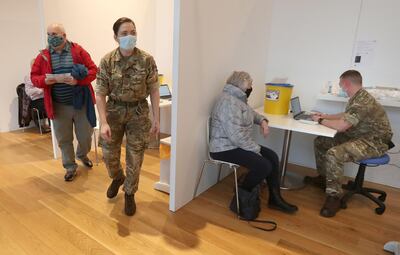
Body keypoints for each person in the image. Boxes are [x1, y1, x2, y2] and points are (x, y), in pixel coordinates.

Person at [96, 17, 160, 216]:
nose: (129, 36)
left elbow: (154, 90)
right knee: (108, 154)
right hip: (114, 111)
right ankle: (117, 177)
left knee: (135, 156)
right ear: (116, 37)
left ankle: (130, 193)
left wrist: (157, 118)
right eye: (124, 33)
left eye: (132, 32)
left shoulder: (146, 59)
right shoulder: (107, 60)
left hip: (139, 113)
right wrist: (103, 121)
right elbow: (100, 93)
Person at [209, 71, 298, 214]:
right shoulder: (228, 102)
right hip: (223, 148)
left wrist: (262, 121)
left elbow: (251, 113)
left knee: (272, 157)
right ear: (242, 85)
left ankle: (275, 199)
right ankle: (241, 197)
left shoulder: (238, 99)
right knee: (264, 165)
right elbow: (236, 136)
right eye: (250, 84)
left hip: (236, 145)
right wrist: (255, 150)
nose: (251, 87)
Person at [307, 70, 393, 217]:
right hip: (360, 136)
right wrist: (326, 115)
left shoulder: (362, 101)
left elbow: (342, 126)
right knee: (321, 141)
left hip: (374, 142)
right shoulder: (358, 97)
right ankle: (324, 178)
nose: (341, 88)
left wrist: (320, 120)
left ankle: (333, 197)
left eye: (341, 85)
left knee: (335, 154)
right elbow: (346, 116)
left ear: (346, 84)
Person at [31, 23, 97, 181]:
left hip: (81, 103)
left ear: (64, 36)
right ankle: (70, 166)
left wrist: (77, 81)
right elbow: (34, 77)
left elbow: (94, 70)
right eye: (48, 34)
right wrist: (46, 81)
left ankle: (82, 154)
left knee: (85, 136)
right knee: (64, 139)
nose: (51, 37)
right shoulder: (43, 56)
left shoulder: (78, 50)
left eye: (54, 34)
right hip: (58, 105)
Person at [25, 59, 50, 132]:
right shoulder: (28, 76)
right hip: (37, 100)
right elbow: (28, 92)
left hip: (46, 97)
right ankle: (52, 126)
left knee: (55, 103)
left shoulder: (44, 75)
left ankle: (54, 127)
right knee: (47, 105)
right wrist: (40, 90)